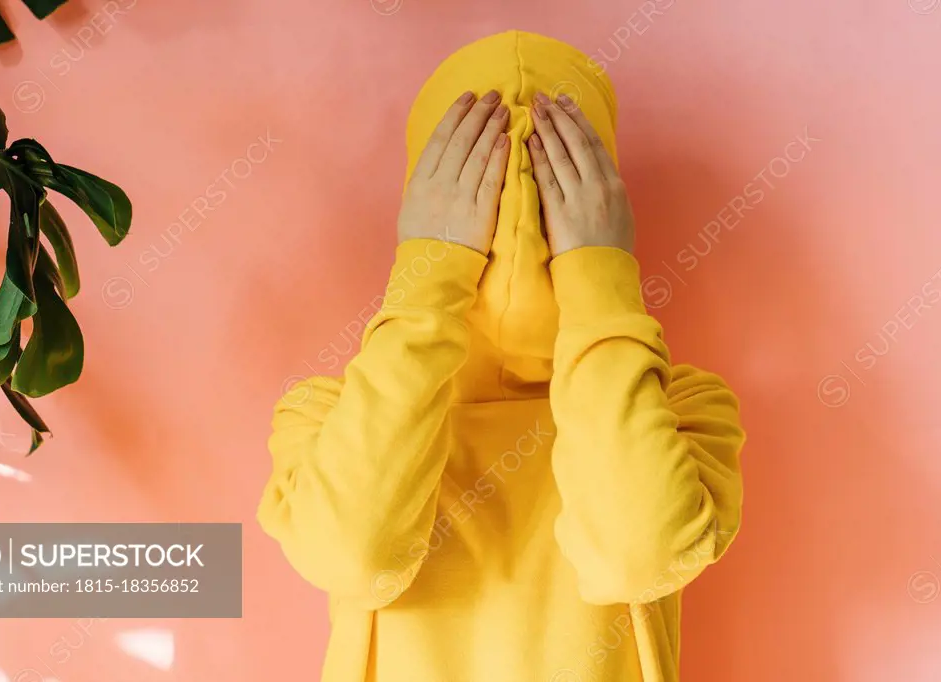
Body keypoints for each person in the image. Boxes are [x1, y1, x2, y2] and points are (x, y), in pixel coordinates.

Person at [258, 30, 745, 682]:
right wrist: (430, 275)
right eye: (471, 190)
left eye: (556, 193)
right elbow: (355, 555)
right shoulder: (327, 414)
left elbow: (637, 555)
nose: (515, 228)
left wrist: (598, 278)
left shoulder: (683, 408)